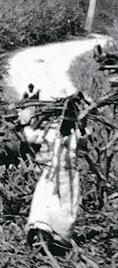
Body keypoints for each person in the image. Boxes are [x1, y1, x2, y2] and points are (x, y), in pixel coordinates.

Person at [26, 94, 84, 255]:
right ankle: (36, 239)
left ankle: (59, 241)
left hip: (68, 180)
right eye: (63, 121)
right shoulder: (53, 134)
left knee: (65, 212)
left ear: (72, 123)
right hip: (51, 178)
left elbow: (86, 136)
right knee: (43, 208)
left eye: (68, 122)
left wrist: (80, 119)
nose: (65, 125)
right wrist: (31, 121)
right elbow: (31, 136)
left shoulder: (77, 137)